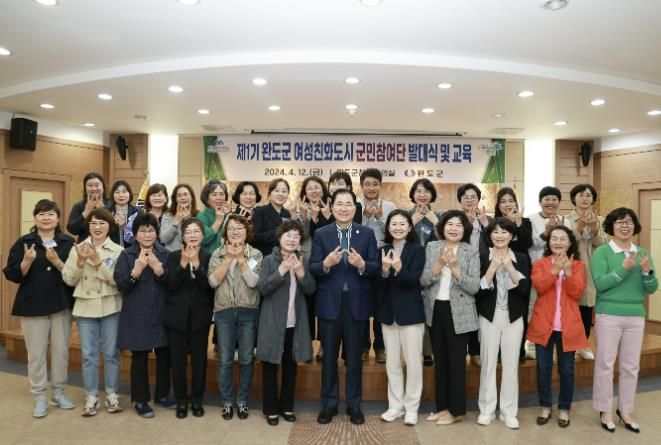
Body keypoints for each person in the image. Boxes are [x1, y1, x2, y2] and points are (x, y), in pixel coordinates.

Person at [310, 189, 379, 425]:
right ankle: (329, 405)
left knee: (354, 359)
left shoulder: (367, 233)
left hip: (356, 304)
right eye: (339, 204)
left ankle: (354, 405)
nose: (343, 208)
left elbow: (375, 267)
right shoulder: (321, 233)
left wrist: (362, 265)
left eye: (348, 204)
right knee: (329, 358)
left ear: (354, 208)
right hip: (329, 304)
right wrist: (326, 264)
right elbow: (313, 267)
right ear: (332, 207)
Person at [3, 199, 75, 418]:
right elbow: (12, 274)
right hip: (32, 305)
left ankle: (59, 392)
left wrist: (56, 261)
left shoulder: (67, 242)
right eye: (41, 214)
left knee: (61, 352)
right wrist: (26, 261)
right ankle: (40, 396)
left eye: (51, 214)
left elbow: (75, 274)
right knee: (36, 354)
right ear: (35, 218)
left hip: (61, 304)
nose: (46, 218)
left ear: (58, 218)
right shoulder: (25, 242)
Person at [591, 208, 657, 433]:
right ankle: (605, 410)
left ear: (634, 226)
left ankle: (625, 410)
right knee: (605, 365)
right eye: (619, 222)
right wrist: (623, 268)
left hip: (636, 316)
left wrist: (647, 271)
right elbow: (600, 284)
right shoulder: (602, 252)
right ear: (611, 226)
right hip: (608, 315)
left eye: (629, 222)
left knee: (631, 366)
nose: (625, 226)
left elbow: (652, 288)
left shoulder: (642, 252)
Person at [420, 209, 480, 426]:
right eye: (450, 224)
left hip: (460, 312)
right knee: (440, 361)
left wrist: (455, 268)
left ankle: (456, 411)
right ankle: (442, 408)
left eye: (459, 225)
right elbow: (423, 280)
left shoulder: (471, 251)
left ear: (465, 230)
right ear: (442, 227)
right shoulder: (432, 247)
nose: (454, 228)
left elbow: (474, 287)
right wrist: (437, 266)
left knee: (456, 363)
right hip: (436, 310)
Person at [62, 208, 124, 417]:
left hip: (110, 306)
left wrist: (98, 262)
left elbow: (118, 282)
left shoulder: (117, 251)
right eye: (93, 223)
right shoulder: (77, 249)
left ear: (110, 227)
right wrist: (80, 262)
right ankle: (91, 396)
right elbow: (69, 279)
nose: (97, 227)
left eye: (102, 223)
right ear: (88, 226)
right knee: (88, 355)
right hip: (85, 307)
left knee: (111, 354)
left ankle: (112, 394)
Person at [256, 220, 316, 426]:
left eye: (296, 236)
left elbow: (311, 289)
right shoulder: (268, 260)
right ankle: (270, 409)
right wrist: (281, 270)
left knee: (291, 366)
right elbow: (263, 288)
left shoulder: (303, 260)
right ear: (280, 238)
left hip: (295, 323)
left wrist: (300, 272)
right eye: (288, 235)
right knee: (270, 366)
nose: (292, 239)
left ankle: (287, 407)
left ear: (300, 241)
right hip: (272, 322)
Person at [114, 212, 174, 418]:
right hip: (137, 314)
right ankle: (140, 400)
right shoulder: (126, 255)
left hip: (162, 312)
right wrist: (136, 271)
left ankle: (162, 395)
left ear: (156, 233)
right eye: (142, 230)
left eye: (151, 230)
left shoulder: (166, 254)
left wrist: (159, 270)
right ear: (135, 233)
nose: (147, 234)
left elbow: (173, 285)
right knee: (139, 358)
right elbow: (121, 285)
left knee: (164, 355)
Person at [528, 225, 587, 428]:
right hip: (543, 324)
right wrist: (554, 271)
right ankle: (545, 406)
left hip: (568, 327)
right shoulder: (540, 263)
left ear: (570, 243)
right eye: (554, 238)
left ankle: (564, 408)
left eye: (563, 238)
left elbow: (577, 293)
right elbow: (540, 286)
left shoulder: (578, 265)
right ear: (548, 242)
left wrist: (568, 272)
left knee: (567, 370)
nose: (558, 242)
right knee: (543, 369)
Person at [475, 217, 531, 429]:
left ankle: (508, 412)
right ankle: (487, 410)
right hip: (489, 316)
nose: (500, 235)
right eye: (495, 231)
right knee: (488, 364)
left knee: (510, 365)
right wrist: (492, 268)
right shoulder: (482, 257)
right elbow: (478, 292)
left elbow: (525, 290)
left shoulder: (521, 258)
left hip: (513, 317)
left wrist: (509, 267)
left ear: (512, 235)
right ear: (489, 235)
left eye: (504, 231)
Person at [208, 214, 263, 421]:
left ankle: (242, 401)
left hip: (248, 311)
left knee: (247, 359)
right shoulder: (217, 253)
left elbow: (254, 282)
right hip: (224, 312)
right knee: (225, 360)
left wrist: (240, 259)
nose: (235, 231)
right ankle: (227, 402)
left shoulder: (255, 254)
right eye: (231, 228)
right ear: (225, 233)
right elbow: (213, 282)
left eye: (240, 228)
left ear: (246, 232)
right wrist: (228, 259)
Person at [378, 210, 426, 426]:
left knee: (414, 363)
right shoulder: (382, 250)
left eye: (402, 224)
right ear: (388, 227)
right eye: (394, 224)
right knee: (392, 362)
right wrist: (384, 271)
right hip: (388, 314)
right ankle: (395, 406)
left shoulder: (417, 250)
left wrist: (398, 267)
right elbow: (378, 285)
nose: (397, 228)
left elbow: (413, 281)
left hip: (411, 314)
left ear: (409, 227)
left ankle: (412, 408)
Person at [163, 217, 213, 419]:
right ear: (182, 236)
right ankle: (181, 401)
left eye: (196, 232)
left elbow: (208, 287)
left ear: (203, 235)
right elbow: (170, 286)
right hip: (177, 317)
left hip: (200, 317)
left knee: (200, 362)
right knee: (178, 362)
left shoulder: (208, 257)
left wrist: (197, 266)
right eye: (188, 232)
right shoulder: (173, 256)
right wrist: (183, 264)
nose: (192, 235)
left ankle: (196, 401)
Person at [564, 184, 607, 360]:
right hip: (572, 269)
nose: (585, 198)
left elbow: (604, 244)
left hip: (593, 271)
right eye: (581, 195)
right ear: (574, 198)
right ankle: (572, 345)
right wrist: (580, 226)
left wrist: (595, 230)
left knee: (587, 309)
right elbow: (565, 243)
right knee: (572, 309)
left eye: (588, 195)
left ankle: (583, 344)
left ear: (593, 199)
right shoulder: (566, 220)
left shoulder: (600, 219)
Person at [359, 168, 395, 363]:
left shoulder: (389, 206)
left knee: (381, 302)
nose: (371, 188)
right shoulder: (354, 206)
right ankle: (364, 345)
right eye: (367, 184)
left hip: (383, 255)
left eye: (375, 184)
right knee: (362, 301)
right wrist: (364, 217)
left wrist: (380, 218)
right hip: (361, 257)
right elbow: (353, 232)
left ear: (380, 186)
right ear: (361, 186)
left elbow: (393, 234)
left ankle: (380, 347)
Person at [525, 185, 564, 360]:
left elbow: (568, 243)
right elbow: (529, 244)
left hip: (559, 273)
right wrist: (547, 232)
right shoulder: (530, 219)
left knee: (556, 308)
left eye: (554, 199)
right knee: (534, 306)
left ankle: (552, 342)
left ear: (559, 202)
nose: (550, 202)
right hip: (537, 271)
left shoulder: (564, 221)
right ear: (540, 202)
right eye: (547, 199)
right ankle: (532, 343)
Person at [494, 186, 533, 362]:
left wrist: (517, 225)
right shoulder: (493, 223)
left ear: (516, 203)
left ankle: (519, 350)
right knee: (499, 310)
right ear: (498, 205)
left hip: (521, 269)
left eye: (511, 200)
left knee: (520, 309)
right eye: (503, 201)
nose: (507, 204)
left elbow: (526, 244)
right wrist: (506, 225)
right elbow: (491, 244)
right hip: (497, 269)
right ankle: (499, 351)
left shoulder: (525, 222)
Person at [408, 178, 443, 366]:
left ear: (432, 195)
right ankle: (415, 351)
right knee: (413, 309)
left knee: (431, 309)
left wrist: (436, 223)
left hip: (434, 267)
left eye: (427, 191)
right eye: (419, 191)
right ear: (413, 195)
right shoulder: (406, 215)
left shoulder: (439, 216)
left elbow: (447, 240)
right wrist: (410, 223)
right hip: (410, 267)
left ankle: (430, 351)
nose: (422, 195)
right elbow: (396, 238)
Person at [296, 176, 331, 360]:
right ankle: (306, 346)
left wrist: (323, 217)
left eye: (317, 187)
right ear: (305, 193)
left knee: (325, 307)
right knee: (306, 308)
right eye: (310, 188)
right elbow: (299, 237)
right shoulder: (298, 210)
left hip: (327, 265)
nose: (314, 191)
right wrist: (304, 217)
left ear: (323, 190)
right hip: (306, 265)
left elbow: (329, 237)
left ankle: (324, 345)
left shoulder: (330, 208)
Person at [457, 183, 489, 367]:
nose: (469, 200)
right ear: (460, 201)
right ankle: (461, 351)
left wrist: (485, 224)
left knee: (478, 312)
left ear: (478, 199)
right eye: (465, 197)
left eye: (473, 197)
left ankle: (475, 351)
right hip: (461, 273)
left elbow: (495, 240)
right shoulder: (455, 220)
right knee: (462, 313)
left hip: (483, 273)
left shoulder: (486, 220)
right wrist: (466, 225)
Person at [67, 172, 115, 243]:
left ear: (103, 186)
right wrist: (86, 212)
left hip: (108, 245)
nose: (94, 188)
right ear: (85, 188)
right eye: (90, 185)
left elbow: (115, 229)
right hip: (85, 245)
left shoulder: (112, 203)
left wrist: (103, 210)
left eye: (97, 185)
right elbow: (72, 230)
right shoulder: (78, 205)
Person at [251, 177, 292, 256]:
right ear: (270, 193)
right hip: (265, 257)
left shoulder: (287, 214)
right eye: (276, 190)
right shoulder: (260, 211)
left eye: (284, 191)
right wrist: (279, 233)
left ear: (288, 194)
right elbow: (253, 237)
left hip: (285, 257)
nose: (280, 194)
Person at [160, 183, 201, 251]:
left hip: (193, 254)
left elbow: (200, 239)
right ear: (175, 199)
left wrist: (189, 220)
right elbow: (163, 240)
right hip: (171, 254)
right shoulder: (168, 215)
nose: (183, 198)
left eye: (185, 194)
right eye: (179, 195)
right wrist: (175, 223)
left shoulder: (199, 215)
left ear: (191, 197)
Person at [198, 179, 230, 254]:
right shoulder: (202, 216)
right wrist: (218, 221)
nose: (219, 198)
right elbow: (204, 239)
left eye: (221, 194)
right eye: (214, 194)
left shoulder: (229, 215)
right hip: (209, 258)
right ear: (207, 198)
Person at [108, 180, 139, 248]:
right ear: (112, 195)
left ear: (129, 194)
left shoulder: (137, 212)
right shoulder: (106, 212)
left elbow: (139, 238)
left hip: (131, 250)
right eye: (117, 192)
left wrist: (125, 227)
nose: (121, 195)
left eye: (124, 192)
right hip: (111, 250)